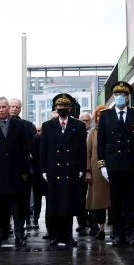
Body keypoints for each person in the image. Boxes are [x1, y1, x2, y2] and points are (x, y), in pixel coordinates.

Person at [96, 81, 134, 246]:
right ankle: (117, 234)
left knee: (129, 201)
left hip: (131, 165)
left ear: (128, 97)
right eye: (117, 94)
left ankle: (128, 233)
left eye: (123, 95)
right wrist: (102, 165)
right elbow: (101, 142)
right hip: (113, 165)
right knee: (115, 201)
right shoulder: (105, 115)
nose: (119, 98)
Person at [0, 97, 30, 248]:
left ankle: (19, 236)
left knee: (17, 208)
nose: (1, 110)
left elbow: (25, 148)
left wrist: (24, 171)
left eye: (4, 107)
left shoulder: (19, 124)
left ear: (9, 108)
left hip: (15, 174)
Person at [40, 94, 87, 247]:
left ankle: (68, 235)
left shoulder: (78, 125)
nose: (62, 109)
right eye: (59, 107)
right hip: (54, 170)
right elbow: (44, 149)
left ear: (70, 108)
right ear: (55, 108)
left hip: (70, 170)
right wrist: (44, 169)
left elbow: (82, 149)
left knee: (68, 203)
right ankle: (54, 235)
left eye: (65, 107)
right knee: (54, 204)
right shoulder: (48, 125)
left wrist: (81, 168)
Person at [8, 98, 36, 231]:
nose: (14, 109)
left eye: (16, 107)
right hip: (6, 169)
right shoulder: (0, 124)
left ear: (20, 109)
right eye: (12, 106)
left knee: (23, 198)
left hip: (23, 168)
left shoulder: (28, 125)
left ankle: (23, 223)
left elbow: (32, 145)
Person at [85, 105, 111, 241]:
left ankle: (114, 228)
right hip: (97, 172)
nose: (101, 117)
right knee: (99, 203)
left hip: (113, 170)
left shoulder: (113, 130)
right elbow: (87, 153)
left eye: (103, 114)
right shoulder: (93, 133)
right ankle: (100, 228)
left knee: (113, 201)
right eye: (98, 115)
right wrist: (88, 171)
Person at [75, 111, 92, 236]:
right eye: (82, 120)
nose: (84, 123)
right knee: (79, 198)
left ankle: (92, 222)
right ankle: (81, 223)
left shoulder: (93, 133)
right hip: (79, 171)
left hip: (92, 170)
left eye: (86, 120)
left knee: (91, 198)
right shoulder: (75, 132)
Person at [30, 124, 44, 230]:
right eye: (37, 130)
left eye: (41, 130)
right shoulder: (35, 140)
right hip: (37, 175)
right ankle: (35, 219)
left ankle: (36, 219)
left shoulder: (45, 140)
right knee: (37, 199)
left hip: (43, 174)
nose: (39, 132)